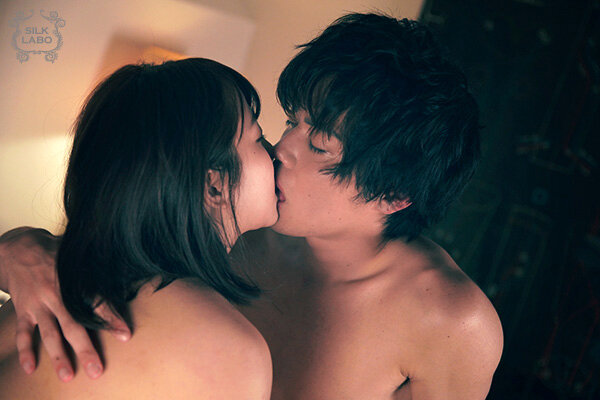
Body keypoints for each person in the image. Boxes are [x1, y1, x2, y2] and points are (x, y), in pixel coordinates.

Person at [0, 13, 504, 399]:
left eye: (319, 145)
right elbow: (111, 249)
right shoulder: (232, 229)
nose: (280, 149)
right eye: (291, 122)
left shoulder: (453, 323)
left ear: (393, 195)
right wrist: (20, 249)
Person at [0, 58, 274, 399]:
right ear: (214, 185)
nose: (275, 153)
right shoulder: (228, 351)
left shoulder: (37, 290)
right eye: (259, 139)